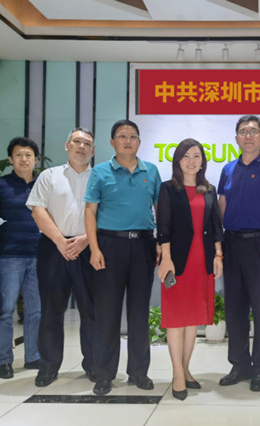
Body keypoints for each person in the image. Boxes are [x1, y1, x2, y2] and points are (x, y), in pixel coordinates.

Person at [84, 119, 161, 396]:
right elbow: (90, 211)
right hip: (109, 246)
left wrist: (161, 243)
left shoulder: (151, 171)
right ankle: (104, 374)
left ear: (139, 141)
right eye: (122, 136)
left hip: (143, 246)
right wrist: (94, 249)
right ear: (112, 142)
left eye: (132, 136)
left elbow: (159, 209)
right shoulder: (100, 172)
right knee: (107, 313)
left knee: (139, 313)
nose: (127, 141)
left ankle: (139, 372)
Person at [218, 115, 260, 392]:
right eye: (243, 131)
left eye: (253, 131)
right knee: (235, 309)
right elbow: (222, 208)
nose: (248, 136)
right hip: (232, 244)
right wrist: (218, 246)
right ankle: (239, 365)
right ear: (236, 138)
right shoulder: (228, 169)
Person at [26, 128, 96, 387]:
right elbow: (38, 211)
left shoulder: (100, 177)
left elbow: (108, 212)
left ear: (93, 150)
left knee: (91, 310)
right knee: (51, 310)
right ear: (67, 145)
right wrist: (60, 241)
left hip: (89, 248)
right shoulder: (49, 176)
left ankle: (93, 365)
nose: (82, 146)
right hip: (53, 248)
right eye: (77, 141)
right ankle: (48, 367)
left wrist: (85, 239)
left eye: (87, 143)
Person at [156, 138, 224, 401]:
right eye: (186, 156)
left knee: (193, 319)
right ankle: (177, 374)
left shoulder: (209, 190)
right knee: (176, 319)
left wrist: (218, 255)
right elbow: (163, 227)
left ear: (203, 161)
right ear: (178, 160)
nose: (191, 161)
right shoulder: (168, 188)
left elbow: (216, 226)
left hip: (202, 262)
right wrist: (166, 259)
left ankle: (185, 369)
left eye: (196, 156)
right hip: (177, 262)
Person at [0, 137, 42, 379]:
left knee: (36, 310)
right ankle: (3, 361)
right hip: (8, 256)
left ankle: (33, 356)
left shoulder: (44, 184)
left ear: (36, 159)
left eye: (28, 155)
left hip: (39, 255)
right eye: (18, 155)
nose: (23, 159)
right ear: (10, 159)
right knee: (4, 310)